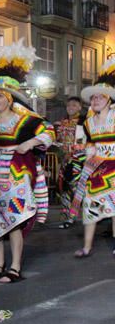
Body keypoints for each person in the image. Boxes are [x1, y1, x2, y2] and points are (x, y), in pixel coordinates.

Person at [0, 40, 55, 283]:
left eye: (0, 95)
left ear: (10, 98)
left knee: (14, 222)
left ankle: (15, 267)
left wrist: (30, 144)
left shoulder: (27, 120)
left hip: (17, 174)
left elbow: (49, 132)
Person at [69, 57, 115, 257]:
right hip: (97, 168)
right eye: (94, 98)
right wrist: (88, 151)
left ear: (109, 100)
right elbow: (88, 143)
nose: (96, 100)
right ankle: (87, 247)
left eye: (100, 97)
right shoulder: (88, 123)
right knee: (89, 204)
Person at [54, 96, 86, 228]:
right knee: (65, 189)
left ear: (79, 107)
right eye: (68, 105)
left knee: (78, 190)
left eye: (74, 105)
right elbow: (59, 141)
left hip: (79, 161)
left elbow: (86, 143)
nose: (70, 107)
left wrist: (73, 153)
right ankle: (68, 218)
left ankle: (87, 215)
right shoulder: (62, 123)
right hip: (65, 162)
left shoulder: (84, 123)